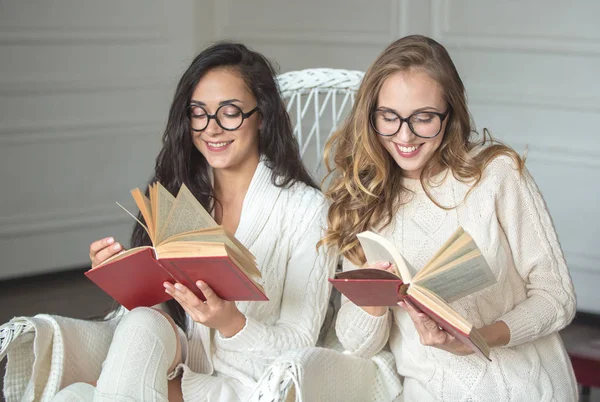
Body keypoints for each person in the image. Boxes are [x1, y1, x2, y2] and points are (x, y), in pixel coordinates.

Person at [53, 42, 335, 402]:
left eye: (229, 112)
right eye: (198, 113)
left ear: (262, 116)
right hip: (180, 361)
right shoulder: (181, 192)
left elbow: (299, 344)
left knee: (73, 397)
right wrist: (124, 278)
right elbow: (166, 314)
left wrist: (230, 323)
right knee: (139, 323)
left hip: (251, 381)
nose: (211, 129)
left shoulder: (308, 211)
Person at [320, 35, 577, 401]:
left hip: (526, 389)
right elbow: (357, 344)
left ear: (450, 114)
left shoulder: (496, 176)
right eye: (389, 117)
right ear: (371, 115)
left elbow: (557, 297)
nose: (404, 136)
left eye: (423, 118)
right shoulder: (366, 203)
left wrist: (478, 338)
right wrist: (375, 297)